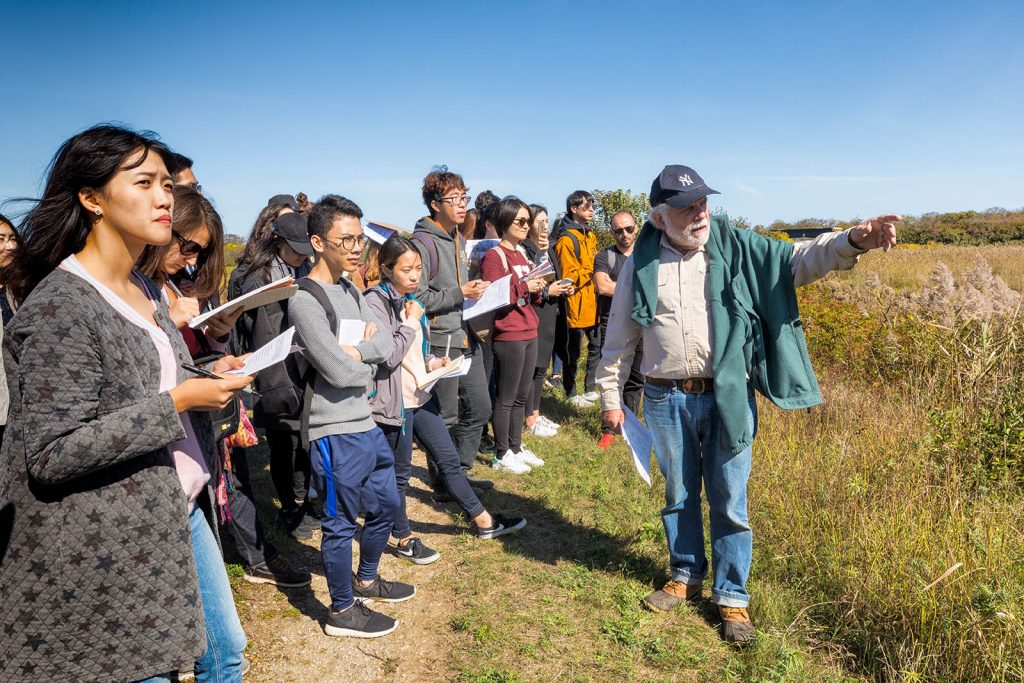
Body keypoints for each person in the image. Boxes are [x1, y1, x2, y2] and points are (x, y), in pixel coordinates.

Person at [597, 163, 901, 644]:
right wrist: (611, 398)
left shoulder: (736, 247)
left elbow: (797, 259)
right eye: (686, 208)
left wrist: (854, 239)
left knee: (730, 499)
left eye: (702, 202)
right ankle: (685, 574)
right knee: (678, 495)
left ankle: (732, 596)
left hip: (728, 396)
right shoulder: (642, 261)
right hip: (664, 397)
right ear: (659, 218)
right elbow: (618, 337)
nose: (699, 213)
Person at [0, 125, 253, 681]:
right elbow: (51, 452)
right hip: (111, 533)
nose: (164, 198)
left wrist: (208, 374)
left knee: (225, 652)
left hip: (179, 505)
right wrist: (180, 400)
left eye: (167, 184)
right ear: (91, 198)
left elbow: (147, 379)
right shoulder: (61, 306)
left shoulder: (143, 286)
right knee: (148, 669)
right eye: (143, 183)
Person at [136, 186, 311, 589]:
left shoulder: (177, 282)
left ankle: (249, 557)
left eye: (200, 253)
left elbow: (196, 352)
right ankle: (247, 559)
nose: (192, 260)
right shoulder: (139, 291)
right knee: (224, 488)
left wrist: (219, 337)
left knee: (232, 482)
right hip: (174, 421)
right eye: (189, 248)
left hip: (207, 408)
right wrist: (169, 323)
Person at [289, 194, 413, 638]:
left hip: (365, 422)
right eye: (347, 239)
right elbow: (338, 373)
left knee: (386, 506)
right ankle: (341, 610)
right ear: (318, 242)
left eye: (360, 239)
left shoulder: (351, 290)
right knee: (340, 523)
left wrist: (356, 353)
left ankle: (367, 579)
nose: (358, 247)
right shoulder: (305, 300)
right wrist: (364, 360)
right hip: (334, 429)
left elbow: (385, 346)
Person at [365, 236, 527, 560]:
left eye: (418, 268)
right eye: (406, 269)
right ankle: (403, 539)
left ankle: (484, 521)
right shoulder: (375, 302)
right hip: (396, 403)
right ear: (386, 269)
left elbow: (413, 351)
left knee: (448, 458)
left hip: (421, 394)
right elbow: (388, 355)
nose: (415, 275)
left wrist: (432, 362)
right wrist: (412, 319)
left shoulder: (410, 299)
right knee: (400, 474)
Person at [229, 209, 318, 538]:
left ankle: (303, 497)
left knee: (304, 438)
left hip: (303, 362)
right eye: (295, 249)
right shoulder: (258, 278)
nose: (301, 256)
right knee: (283, 442)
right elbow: (248, 327)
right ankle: (289, 507)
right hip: (274, 368)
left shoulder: (305, 268)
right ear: (278, 242)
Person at [410, 167, 494, 491]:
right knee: (445, 416)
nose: (462, 205)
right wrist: (461, 292)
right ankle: (445, 486)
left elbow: (459, 288)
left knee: (480, 406)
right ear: (435, 204)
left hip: (465, 334)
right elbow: (417, 297)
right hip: (440, 340)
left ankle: (458, 474)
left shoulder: (458, 238)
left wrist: (477, 290)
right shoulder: (421, 243)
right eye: (454, 199)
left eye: (464, 198)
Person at [481, 197, 572, 473]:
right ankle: (501, 454)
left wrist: (538, 287)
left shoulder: (521, 254)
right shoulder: (495, 256)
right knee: (506, 397)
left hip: (529, 328)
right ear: (505, 222)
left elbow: (533, 293)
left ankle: (516, 446)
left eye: (527, 221)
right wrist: (525, 287)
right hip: (509, 333)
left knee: (522, 395)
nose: (525, 225)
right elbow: (492, 297)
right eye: (520, 221)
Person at [593, 210, 644, 449]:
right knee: (612, 374)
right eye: (618, 230)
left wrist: (622, 288)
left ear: (636, 228)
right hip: (613, 324)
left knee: (636, 379)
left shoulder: (646, 255)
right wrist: (640, 290)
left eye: (629, 229)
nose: (624, 234)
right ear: (612, 233)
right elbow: (602, 286)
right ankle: (608, 429)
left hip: (642, 324)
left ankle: (627, 427)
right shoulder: (605, 257)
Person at [522, 204, 569, 437]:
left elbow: (553, 276)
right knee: (531, 367)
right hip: (535, 311)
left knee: (541, 367)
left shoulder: (549, 247)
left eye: (547, 221)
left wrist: (562, 288)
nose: (545, 226)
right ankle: (528, 417)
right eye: (540, 222)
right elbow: (529, 284)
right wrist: (548, 291)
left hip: (550, 311)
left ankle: (536, 412)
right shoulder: (525, 249)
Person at [555, 190, 600, 407]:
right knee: (572, 351)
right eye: (586, 206)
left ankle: (590, 389)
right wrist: (593, 269)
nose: (591, 210)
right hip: (575, 303)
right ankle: (571, 392)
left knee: (597, 346)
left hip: (594, 300)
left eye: (592, 206)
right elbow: (568, 275)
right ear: (574, 209)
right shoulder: (567, 239)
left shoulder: (590, 235)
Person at [0, 213, 21, 447]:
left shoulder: (19, 289)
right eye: (1, 239)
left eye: (13, 238)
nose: (11, 247)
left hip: (15, 402)